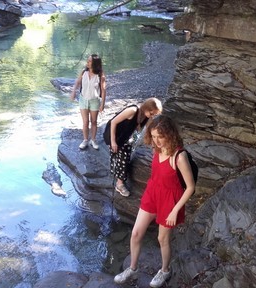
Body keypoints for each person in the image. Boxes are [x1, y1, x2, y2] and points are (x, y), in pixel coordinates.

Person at [113, 115, 196, 288]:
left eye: (160, 136)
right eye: (154, 136)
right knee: (136, 233)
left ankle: (165, 271)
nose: (156, 141)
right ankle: (132, 268)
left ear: (170, 134)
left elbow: (190, 187)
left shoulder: (179, 157)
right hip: (152, 193)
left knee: (162, 239)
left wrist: (175, 210)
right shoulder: (156, 149)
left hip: (170, 200)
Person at [106, 97, 162, 197]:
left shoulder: (147, 117)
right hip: (116, 135)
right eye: (152, 113)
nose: (152, 116)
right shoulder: (132, 111)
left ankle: (118, 178)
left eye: (154, 114)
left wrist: (154, 147)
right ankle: (119, 184)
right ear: (147, 108)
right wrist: (113, 141)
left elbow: (150, 131)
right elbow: (113, 122)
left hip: (126, 137)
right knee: (120, 157)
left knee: (124, 158)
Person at [70, 54, 106, 150]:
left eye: (89, 61)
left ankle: (93, 140)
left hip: (94, 101)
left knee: (94, 121)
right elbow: (77, 82)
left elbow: (103, 89)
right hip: (83, 99)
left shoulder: (100, 74)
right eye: (87, 61)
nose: (87, 63)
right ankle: (85, 140)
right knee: (85, 122)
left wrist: (102, 104)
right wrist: (73, 92)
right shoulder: (83, 72)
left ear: (95, 63)